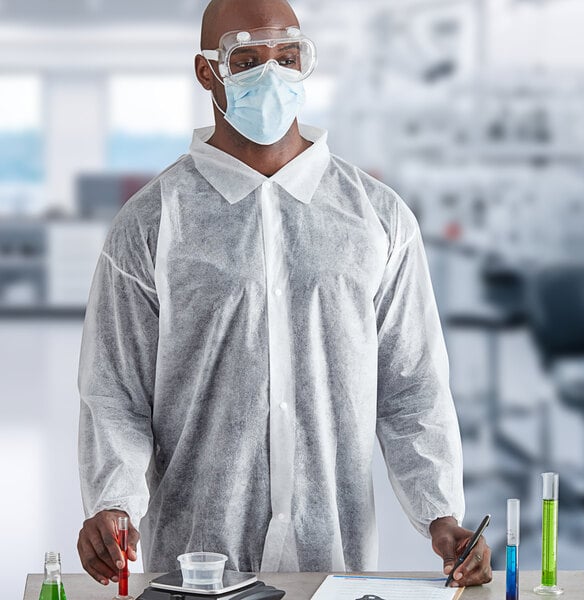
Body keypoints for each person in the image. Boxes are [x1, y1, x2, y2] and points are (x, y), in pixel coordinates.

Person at [77, 0, 492, 590]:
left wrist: (440, 513)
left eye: (287, 56)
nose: (270, 74)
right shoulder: (154, 221)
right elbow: (116, 390)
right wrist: (113, 500)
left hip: (336, 562)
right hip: (199, 567)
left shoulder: (375, 216)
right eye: (245, 59)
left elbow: (412, 385)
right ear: (207, 72)